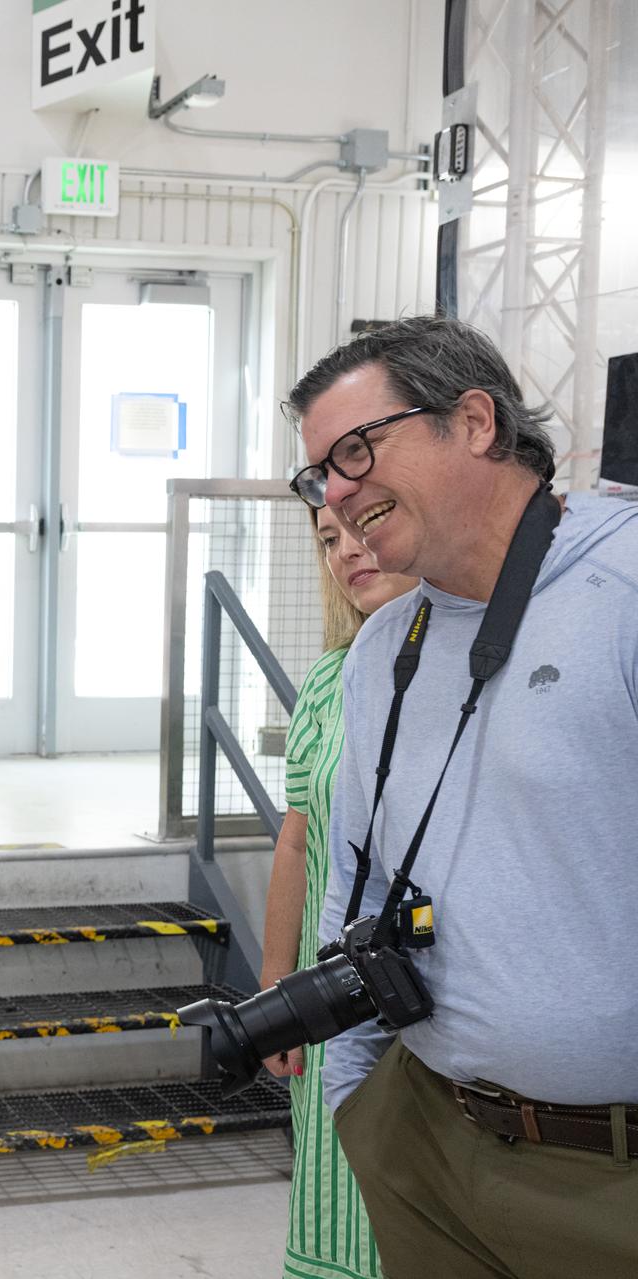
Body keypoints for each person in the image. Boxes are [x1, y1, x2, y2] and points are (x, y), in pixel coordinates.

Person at [289, 314, 638, 1277]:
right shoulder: (381, 650)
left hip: (612, 1177)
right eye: (319, 471)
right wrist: (359, 1109)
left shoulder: (621, 592)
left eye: (357, 448)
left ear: (475, 421)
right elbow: (351, 887)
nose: (339, 490)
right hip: (426, 1144)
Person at [258, 504, 417, 1279]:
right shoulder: (326, 680)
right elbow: (296, 841)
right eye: (328, 539)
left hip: (427, 1011)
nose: (348, 551)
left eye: (365, 525)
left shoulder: (465, 672)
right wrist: (276, 994)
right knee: (333, 1216)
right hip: (332, 1002)